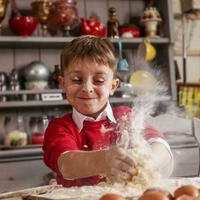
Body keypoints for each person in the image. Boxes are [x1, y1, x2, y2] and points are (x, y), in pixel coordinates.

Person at [43, 35, 173, 187]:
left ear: (112, 86)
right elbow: (66, 164)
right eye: (77, 80)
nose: (87, 88)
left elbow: (161, 145)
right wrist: (104, 160)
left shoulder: (126, 117)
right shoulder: (60, 128)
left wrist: (145, 161)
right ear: (63, 84)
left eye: (98, 81)